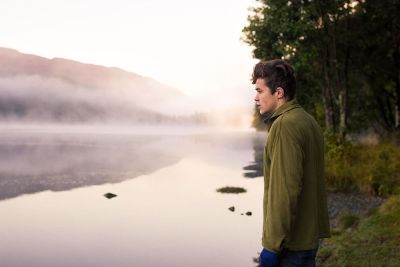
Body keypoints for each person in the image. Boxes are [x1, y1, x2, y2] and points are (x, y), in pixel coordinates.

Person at [252, 59, 330, 267]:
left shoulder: (285, 125)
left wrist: (271, 246)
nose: (256, 97)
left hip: (289, 247)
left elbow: (285, 191)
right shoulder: (307, 120)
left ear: (278, 92)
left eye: (260, 91)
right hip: (307, 240)